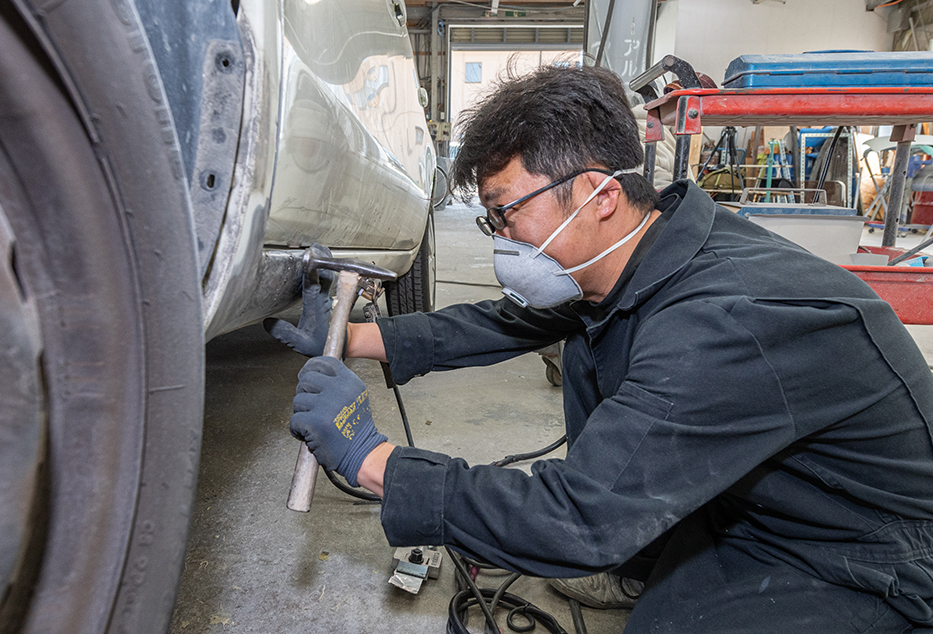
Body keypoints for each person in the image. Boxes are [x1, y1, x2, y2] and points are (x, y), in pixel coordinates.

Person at [265, 65, 933, 632]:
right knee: (588, 337)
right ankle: (640, 562)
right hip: (765, 493)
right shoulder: (645, 249)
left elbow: (576, 515)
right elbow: (511, 321)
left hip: (873, 550)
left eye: (505, 212)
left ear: (599, 194)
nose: (499, 236)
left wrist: (372, 458)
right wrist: (355, 335)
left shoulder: (723, 323)